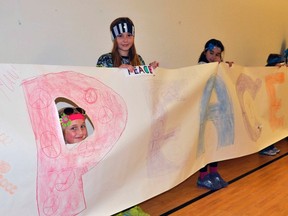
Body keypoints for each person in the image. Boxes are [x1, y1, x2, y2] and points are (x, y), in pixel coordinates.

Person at [196, 39, 229, 190]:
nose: (213, 57)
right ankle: (203, 176)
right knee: (204, 145)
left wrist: (228, 68)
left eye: (217, 54)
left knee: (214, 143)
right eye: (211, 53)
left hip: (215, 112)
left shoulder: (218, 68)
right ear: (205, 52)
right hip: (203, 113)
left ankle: (214, 173)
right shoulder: (200, 68)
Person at [259, 53, 284, 156]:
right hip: (265, 106)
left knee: (272, 127)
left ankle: (271, 145)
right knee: (266, 128)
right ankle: (264, 148)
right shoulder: (265, 73)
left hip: (272, 105)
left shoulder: (276, 73)